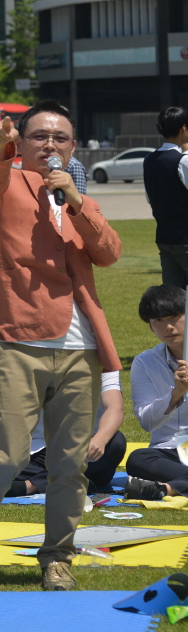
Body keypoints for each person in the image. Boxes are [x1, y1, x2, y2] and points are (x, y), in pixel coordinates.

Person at [0, 99, 122, 592]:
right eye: (40, 136)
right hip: (20, 339)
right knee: (6, 454)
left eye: (60, 137)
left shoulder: (77, 197)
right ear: (23, 141)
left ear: (73, 146)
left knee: (70, 463)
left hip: (81, 346)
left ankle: (57, 557)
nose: (50, 145)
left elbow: (109, 252)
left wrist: (76, 202)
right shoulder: (5, 185)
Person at [123, 284, 188, 501]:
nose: (168, 326)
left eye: (174, 317)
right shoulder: (144, 362)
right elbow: (147, 423)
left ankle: (166, 489)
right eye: (158, 320)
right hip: (169, 451)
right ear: (151, 327)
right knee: (137, 459)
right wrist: (175, 395)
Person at [143, 106, 188, 286]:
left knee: (173, 296)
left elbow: (150, 198)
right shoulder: (183, 160)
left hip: (164, 237)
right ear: (183, 128)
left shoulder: (149, 160)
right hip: (185, 237)